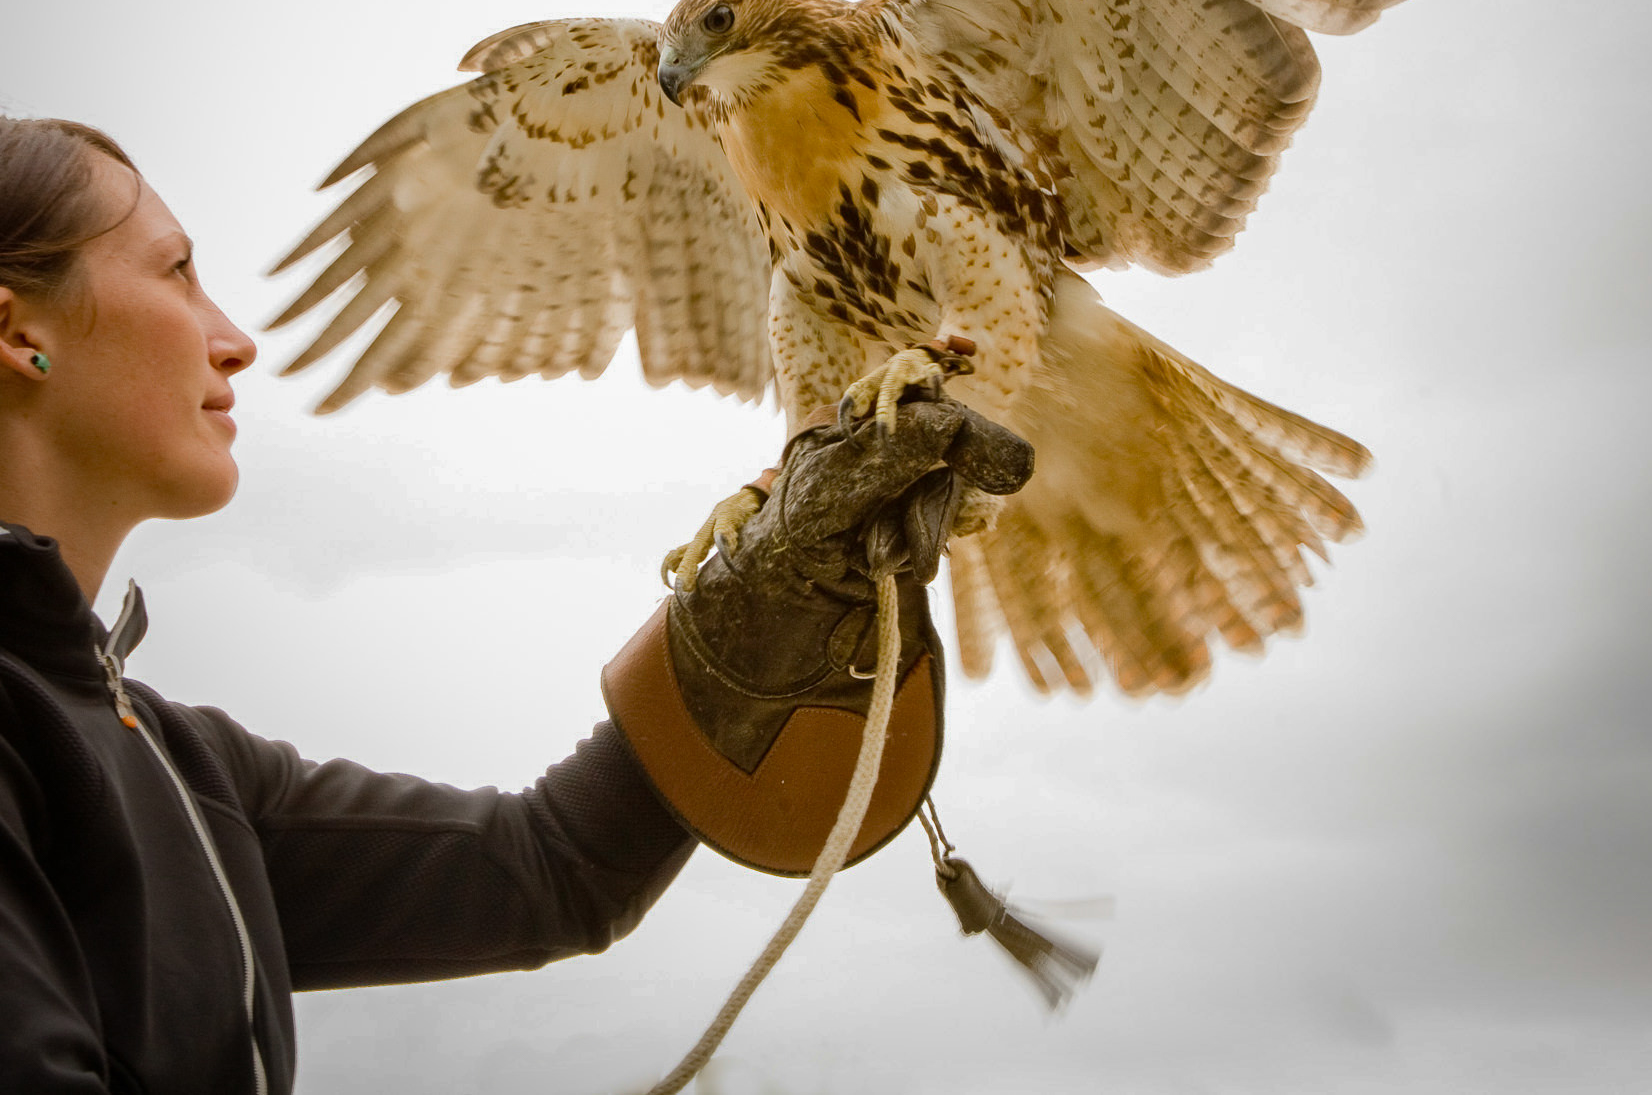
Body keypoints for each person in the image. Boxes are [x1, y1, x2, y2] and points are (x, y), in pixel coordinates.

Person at [0, 115, 1031, 1092]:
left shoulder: (181, 766)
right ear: (16, 331)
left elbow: (547, 868)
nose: (233, 339)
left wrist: (747, 614)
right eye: (177, 271)